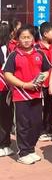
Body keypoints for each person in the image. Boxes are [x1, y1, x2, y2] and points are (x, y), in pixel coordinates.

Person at [3, 24, 50, 164]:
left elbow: (47, 70)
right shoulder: (14, 55)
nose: (26, 40)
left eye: (28, 37)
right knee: (23, 124)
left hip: (36, 94)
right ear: (18, 39)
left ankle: (30, 148)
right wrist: (24, 85)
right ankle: (23, 152)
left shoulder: (39, 54)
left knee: (36, 123)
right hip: (21, 95)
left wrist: (42, 79)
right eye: (23, 37)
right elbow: (7, 74)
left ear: (33, 39)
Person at [36, 22, 52, 141]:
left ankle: (48, 128)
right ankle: (41, 129)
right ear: (45, 34)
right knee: (42, 107)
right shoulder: (37, 48)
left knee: (51, 106)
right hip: (42, 84)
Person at [0, 22, 13, 157]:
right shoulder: (5, 48)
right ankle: (3, 143)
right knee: (5, 115)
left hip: (4, 86)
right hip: (3, 86)